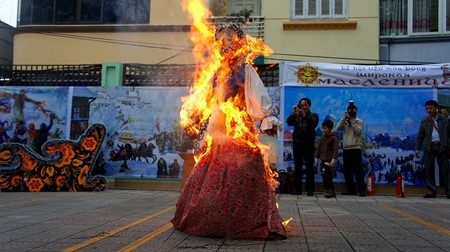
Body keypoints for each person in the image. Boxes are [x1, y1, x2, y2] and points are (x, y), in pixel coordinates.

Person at [171, 24, 286, 239]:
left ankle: (246, 220)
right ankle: (211, 221)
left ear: (239, 42)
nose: (226, 44)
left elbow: (257, 96)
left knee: (246, 168)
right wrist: (193, 116)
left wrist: (265, 118)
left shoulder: (246, 70)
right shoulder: (215, 72)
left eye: (230, 40)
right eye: (222, 40)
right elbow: (205, 99)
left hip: (238, 127)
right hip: (217, 130)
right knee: (211, 174)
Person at [415, 100, 450, 199]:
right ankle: (431, 191)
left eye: (431, 108)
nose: (429, 110)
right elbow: (420, 136)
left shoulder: (444, 119)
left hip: (441, 147)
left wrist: (447, 145)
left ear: (436, 108)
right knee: (429, 170)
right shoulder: (425, 121)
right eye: (427, 108)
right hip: (429, 147)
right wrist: (417, 148)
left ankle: (448, 191)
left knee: (445, 170)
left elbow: (448, 134)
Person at [286, 98, 319, 196]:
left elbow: (313, 124)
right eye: (301, 105)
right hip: (297, 143)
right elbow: (289, 122)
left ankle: (310, 189)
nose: (303, 107)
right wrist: (293, 112)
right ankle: (297, 189)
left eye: (305, 105)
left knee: (309, 167)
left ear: (309, 106)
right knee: (298, 167)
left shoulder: (314, 115)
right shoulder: (297, 116)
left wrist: (304, 114)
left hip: (308, 144)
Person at [336, 100, 366, 197]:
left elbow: (358, 131)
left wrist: (352, 120)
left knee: (358, 171)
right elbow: (338, 128)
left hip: (356, 148)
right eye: (350, 110)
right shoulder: (345, 121)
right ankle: (351, 190)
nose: (351, 112)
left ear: (356, 111)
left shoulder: (359, 121)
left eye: (353, 111)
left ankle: (362, 190)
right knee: (347, 171)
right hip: (346, 149)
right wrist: (344, 118)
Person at [314, 119, 339, 198]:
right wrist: (316, 160)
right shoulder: (322, 139)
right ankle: (327, 190)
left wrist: (333, 160)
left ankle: (331, 191)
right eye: (323, 128)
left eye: (325, 128)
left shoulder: (334, 138)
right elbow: (318, 150)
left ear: (330, 128)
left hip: (329, 161)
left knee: (328, 177)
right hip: (323, 161)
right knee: (324, 176)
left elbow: (335, 150)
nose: (323, 130)